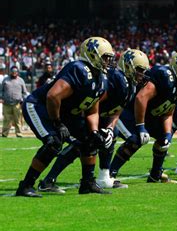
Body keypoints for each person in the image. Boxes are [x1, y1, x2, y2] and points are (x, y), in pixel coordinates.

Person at [38, 49, 150, 192]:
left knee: (110, 135)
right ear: (128, 66)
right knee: (81, 144)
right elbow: (93, 100)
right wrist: (94, 126)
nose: (142, 74)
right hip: (88, 115)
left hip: (101, 117)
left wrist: (109, 128)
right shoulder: (117, 78)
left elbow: (117, 110)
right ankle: (49, 180)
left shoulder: (130, 85)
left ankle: (104, 177)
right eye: (140, 69)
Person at [15, 37, 114, 197]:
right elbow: (53, 96)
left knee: (90, 140)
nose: (108, 61)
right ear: (92, 55)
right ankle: (25, 186)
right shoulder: (79, 69)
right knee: (54, 143)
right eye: (105, 57)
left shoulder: (102, 80)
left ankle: (88, 183)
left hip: (64, 113)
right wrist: (57, 123)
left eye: (109, 58)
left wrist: (94, 132)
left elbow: (92, 110)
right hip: (39, 106)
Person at [109, 51, 177, 183]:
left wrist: (168, 134)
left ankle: (155, 174)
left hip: (149, 117)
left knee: (163, 140)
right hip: (129, 111)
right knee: (136, 139)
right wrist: (140, 127)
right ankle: (110, 174)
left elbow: (168, 113)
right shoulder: (165, 75)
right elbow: (141, 98)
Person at [1, 66, 28, 137]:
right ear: (10, 72)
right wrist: (1, 97)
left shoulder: (21, 80)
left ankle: (19, 133)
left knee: (18, 120)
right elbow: (1, 91)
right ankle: (4, 134)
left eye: (15, 72)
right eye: (12, 71)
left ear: (17, 72)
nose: (14, 73)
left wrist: (23, 100)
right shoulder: (5, 80)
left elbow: (24, 92)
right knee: (6, 120)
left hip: (17, 104)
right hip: (6, 103)